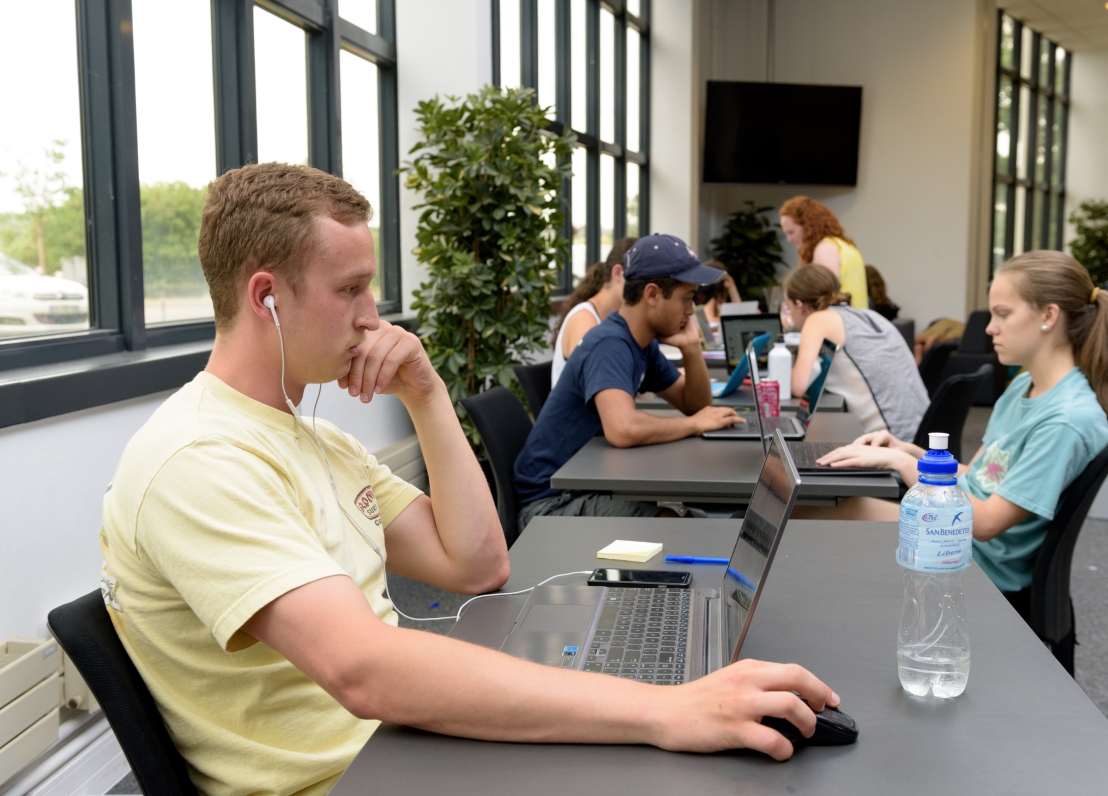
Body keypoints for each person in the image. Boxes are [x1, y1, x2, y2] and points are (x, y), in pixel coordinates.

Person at [99, 167, 839, 796]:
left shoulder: (312, 438)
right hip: (353, 777)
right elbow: (363, 670)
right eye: (351, 290)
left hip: (405, 747)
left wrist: (424, 392)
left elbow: (478, 564)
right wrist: (662, 708)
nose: (372, 318)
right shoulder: (197, 458)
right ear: (267, 298)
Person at [812, 251, 1108, 606]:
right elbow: (978, 476)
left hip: (971, 557)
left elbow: (986, 523)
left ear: (1049, 315)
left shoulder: (1066, 420)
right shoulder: (1025, 385)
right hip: (954, 529)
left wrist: (903, 464)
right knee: (820, 506)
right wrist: (906, 450)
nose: (990, 328)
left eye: (1003, 314)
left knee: (818, 515)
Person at [514, 234, 748, 529]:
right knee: (682, 527)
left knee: (692, 524)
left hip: (589, 486)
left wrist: (691, 348)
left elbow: (696, 405)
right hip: (550, 504)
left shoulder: (640, 343)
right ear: (652, 295)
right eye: (687, 299)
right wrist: (695, 424)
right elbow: (622, 429)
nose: (691, 311)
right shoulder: (609, 344)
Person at [781, 265, 928, 443]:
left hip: (895, 444)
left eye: (788, 307)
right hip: (922, 433)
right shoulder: (866, 315)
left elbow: (798, 386)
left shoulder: (819, 319)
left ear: (799, 305)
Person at [551, 238, 638, 386]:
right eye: (640, 280)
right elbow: (598, 382)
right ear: (618, 273)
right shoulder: (584, 320)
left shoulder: (614, 319)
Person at [778, 196, 868, 309]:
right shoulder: (843, 246)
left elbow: (825, 298)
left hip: (839, 322)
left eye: (791, 232)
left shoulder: (825, 249)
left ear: (808, 225)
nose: (789, 239)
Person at [696, 260, 744, 328]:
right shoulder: (709, 296)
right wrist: (733, 321)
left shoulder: (716, 297)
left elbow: (740, 312)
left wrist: (731, 287)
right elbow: (710, 321)